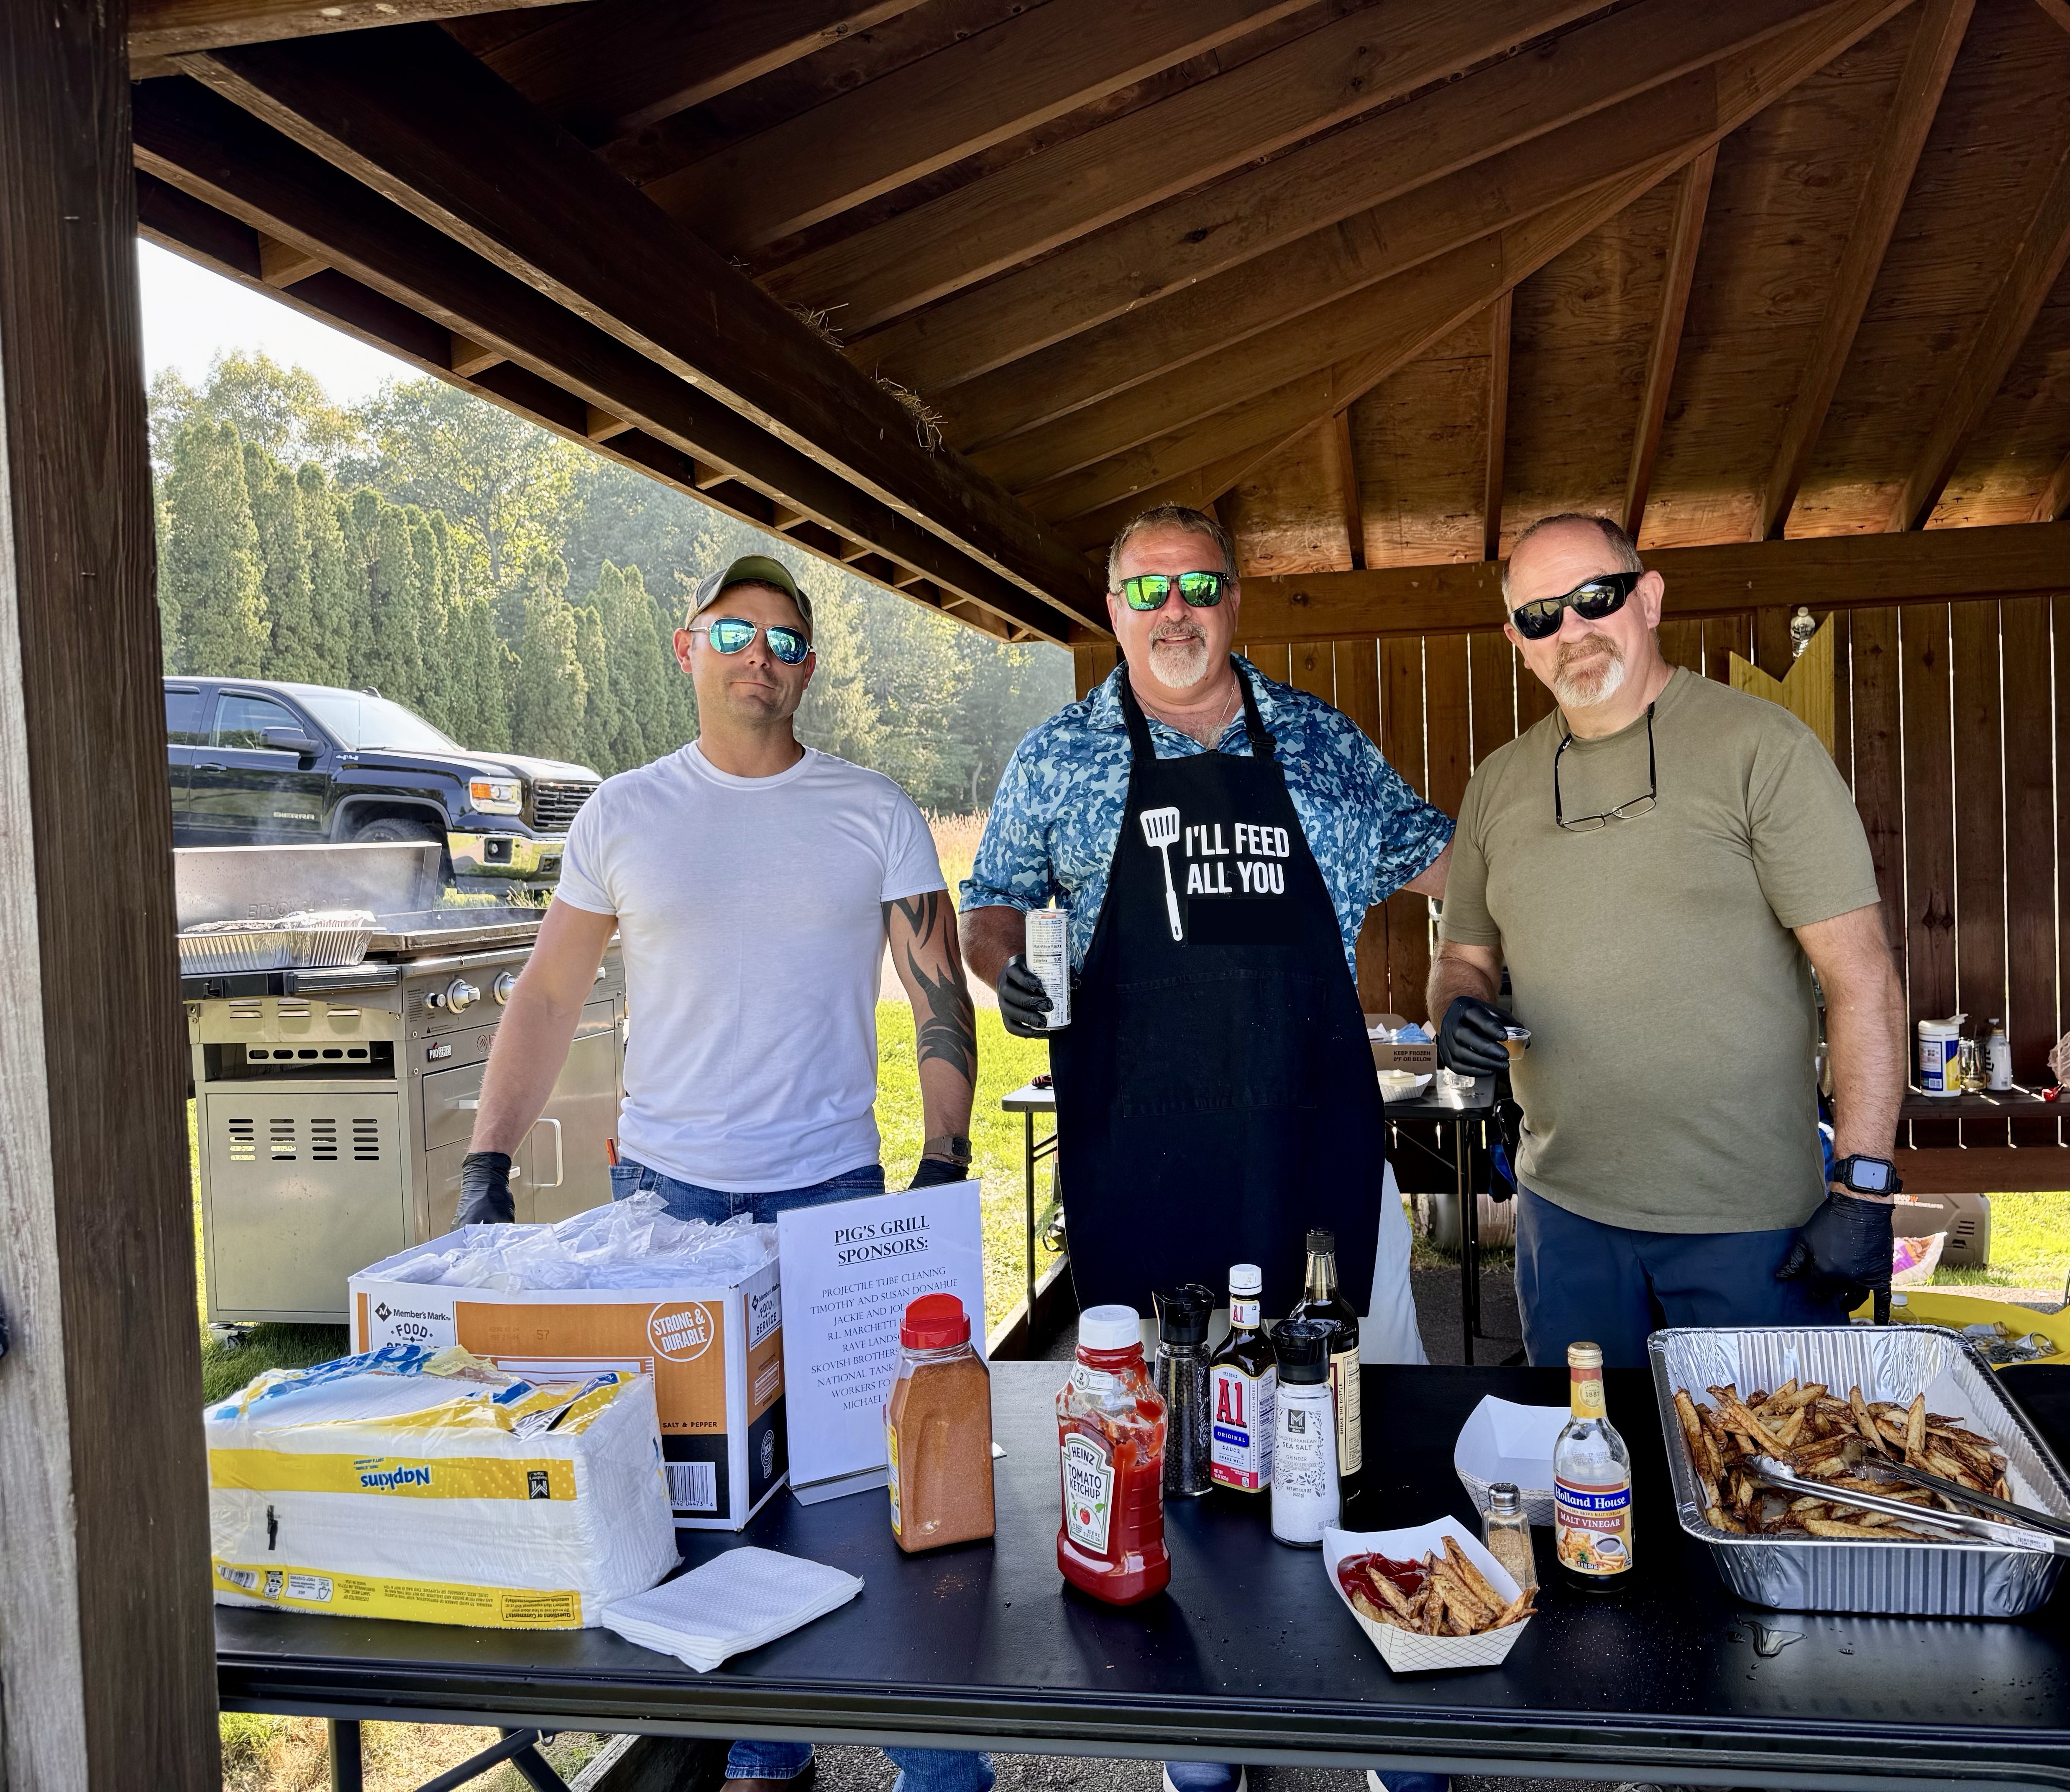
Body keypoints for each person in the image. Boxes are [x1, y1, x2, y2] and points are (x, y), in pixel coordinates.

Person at [455, 553, 985, 1792]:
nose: (762, 656)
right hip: (667, 1208)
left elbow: (937, 996)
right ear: (688, 646)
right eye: (737, 632)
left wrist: (945, 1152)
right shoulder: (622, 813)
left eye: (788, 641)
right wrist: (487, 1159)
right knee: (704, 1503)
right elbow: (548, 994)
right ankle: (764, 1749)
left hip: (834, 1200)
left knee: (872, 1488)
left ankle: (941, 1769)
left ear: (810, 670)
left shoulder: (873, 809)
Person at [960, 505, 1454, 1792]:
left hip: (1316, 1149)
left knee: (1372, 1426)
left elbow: (1458, 862)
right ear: (1110, 606)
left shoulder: (1321, 743)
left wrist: (1484, 954)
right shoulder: (1059, 756)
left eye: (1198, 584)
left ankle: (1402, 1707)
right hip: (1148, 1156)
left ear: (1235, 598)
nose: (1173, 610)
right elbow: (991, 906)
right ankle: (1203, 1721)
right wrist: (1007, 969)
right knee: (1173, 1444)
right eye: (1146, 589)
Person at [1428, 512, 1908, 1369]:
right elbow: (1463, 960)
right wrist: (1458, 1009)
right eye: (1541, 614)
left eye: (1595, 597)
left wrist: (1863, 1187)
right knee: (1584, 1450)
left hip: (1749, 1225)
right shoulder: (1498, 784)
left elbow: (1861, 977)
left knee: (1757, 1453)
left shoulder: (1761, 749)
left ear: (1648, 599)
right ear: (1518, 642)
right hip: (1563, 1216)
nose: (1571, 629)